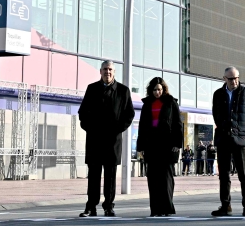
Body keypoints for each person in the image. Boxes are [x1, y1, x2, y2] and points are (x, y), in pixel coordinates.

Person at [78, 60, 134, 217]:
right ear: (100, 71)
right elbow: (82, 113)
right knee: (94, 175)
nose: (107, 72)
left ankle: (109, 205)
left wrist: (117, 129)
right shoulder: (92, 89)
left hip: (112, 141)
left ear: (114, 72)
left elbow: (129, 114)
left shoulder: (123, 91)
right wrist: (91, 128)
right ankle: (91, 206)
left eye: (110, 69)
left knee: (110, 175)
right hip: (95, 140)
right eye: (104, 69)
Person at [211, 66, 245, 216]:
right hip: (223, 138)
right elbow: (216, 114)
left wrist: (243, 130)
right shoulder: (218, 94)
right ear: (224, 79)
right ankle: (225, 205)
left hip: (241, 139)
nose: (234, 81)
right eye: (231, 79)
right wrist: (225, 127)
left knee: (244, 175)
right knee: (224, 175)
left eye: (237, 78)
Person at [136, 77, 183, 217]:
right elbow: (142, 126)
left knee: (166, 178)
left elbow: (178, 124)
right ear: (151, 90)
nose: (158, 92)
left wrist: (177, 144)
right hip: (151, 145)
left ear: (164, 90)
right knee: (153, 178)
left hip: (167, 145)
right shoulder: (147, 104)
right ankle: (155, 209)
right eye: (155, 90)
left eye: (160, 90)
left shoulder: (171, 102)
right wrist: (141, 147)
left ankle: (166, 208)